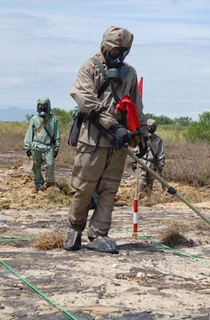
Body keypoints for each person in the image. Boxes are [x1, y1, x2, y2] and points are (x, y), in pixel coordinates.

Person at [64, 26, 148, 254]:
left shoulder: (129, 73)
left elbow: (136, 107)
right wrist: (112, 125)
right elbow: (85, 99)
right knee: (83, 188)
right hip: (92, 139)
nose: (119, 56)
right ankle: (75, 229)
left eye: (123, 51)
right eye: (115, 50)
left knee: (109, 190)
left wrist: (141, 135)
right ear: (105, 46)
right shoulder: (89, 67)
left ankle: (99, 234)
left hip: (119, 142)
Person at [24, 98, 61, 192]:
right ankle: (39, 184)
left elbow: (57, 134)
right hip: (36, 146)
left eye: (45, 105)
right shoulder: (34, 119)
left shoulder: (53, 119)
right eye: (41, 105)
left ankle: (50, 183)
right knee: (36, 166)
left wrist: (56, 148)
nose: (43, 107)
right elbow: (29, 133)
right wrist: (27, 147)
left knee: (50, 165)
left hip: (48, 147)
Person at [133, 118, 165, 195]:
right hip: (142, 163)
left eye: (153, 127)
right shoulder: (141, 137)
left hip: (152, 164)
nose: (151, 129)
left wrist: (161, 164)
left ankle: (148, 199)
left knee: (150, 183)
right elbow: (135, 150)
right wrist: (134, 161)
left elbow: (161, 153)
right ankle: (140, 198)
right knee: (141, 182)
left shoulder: (158, 139)